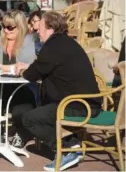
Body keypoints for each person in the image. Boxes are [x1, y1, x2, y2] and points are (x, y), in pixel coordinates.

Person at [16, 11, 102, 171]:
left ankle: (67, 149)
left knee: (29, 118)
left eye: (40, 26)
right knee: (45, 104)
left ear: (49, 28)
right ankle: (71, 144)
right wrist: (29, 68)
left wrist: (22, 71)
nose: (36, 30)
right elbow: (46, 67)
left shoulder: (52, 46)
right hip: (88, 102)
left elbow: (31, 75)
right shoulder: (66, 43)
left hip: (78, 106)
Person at [0, 10, 37, 148]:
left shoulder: (28, 41)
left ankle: (22, 134)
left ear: (20, 27)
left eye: (11, 27)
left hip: (21, 88)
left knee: (21, 112)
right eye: (4, 26)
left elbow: (24, 66)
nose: (6, 30)